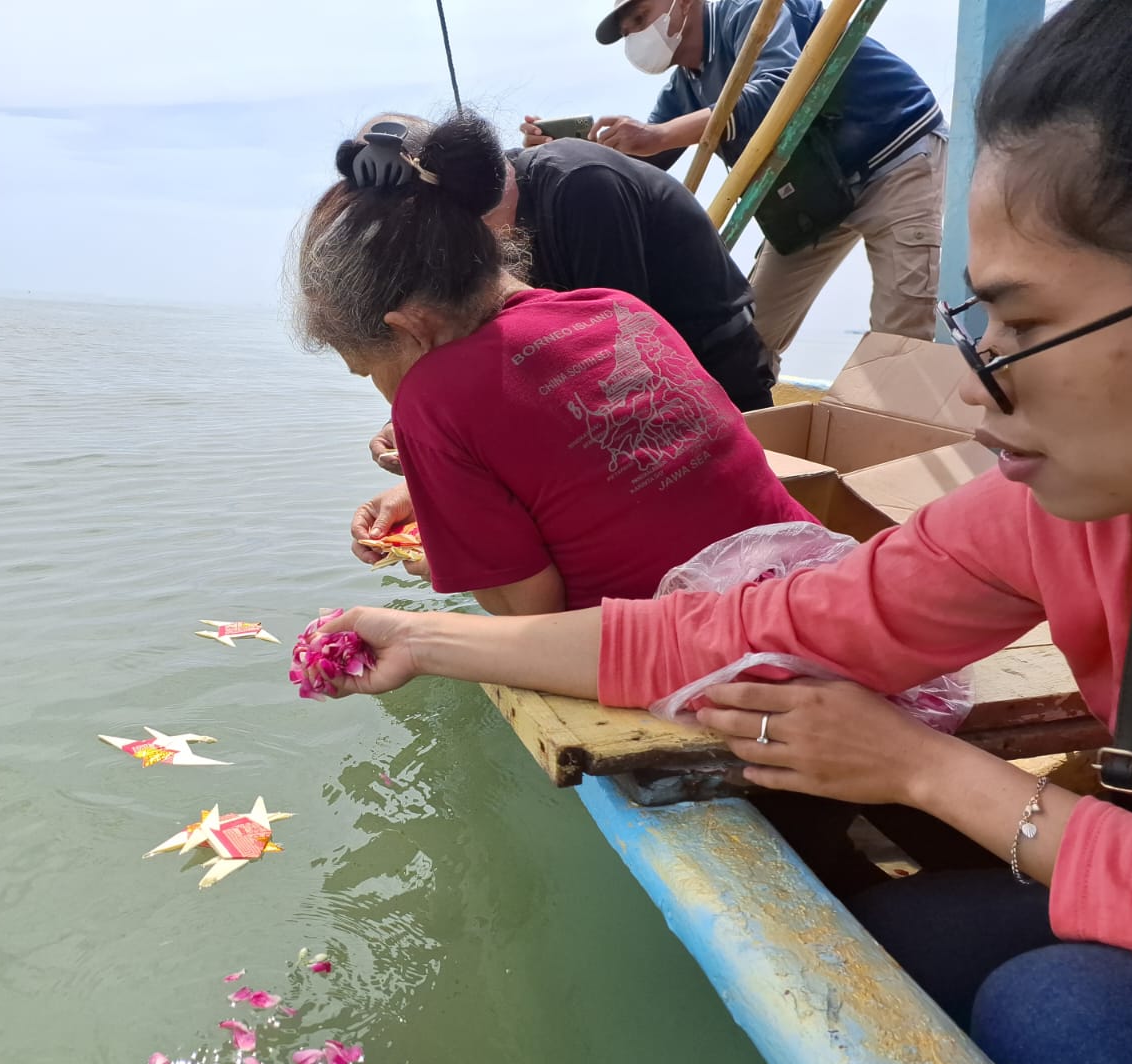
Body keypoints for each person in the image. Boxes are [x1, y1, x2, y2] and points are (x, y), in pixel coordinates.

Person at [319, 2, 1132, 1064]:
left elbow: (534, 573)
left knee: (1067, 1021)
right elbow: (749, 620)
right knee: (894, 948)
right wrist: (422, 637)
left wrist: (925, 770)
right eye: (975, 321)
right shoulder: (1054, 512)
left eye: (1026, 323)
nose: (977, 389)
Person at [294, 111, 813, 616]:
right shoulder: (617, 307)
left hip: (714, 644)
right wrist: (435, 499)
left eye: (372, 373)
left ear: (409, 328)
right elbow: (584, 470)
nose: (388, 396)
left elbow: (532, 610)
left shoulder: (430, 401)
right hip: (812, 582)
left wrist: (448, 558)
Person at [527, 0, 946, 372]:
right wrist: (566, 151)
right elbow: (647, 159)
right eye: (627, 31)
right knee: (750, 333)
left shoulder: (753, 11)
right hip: (815, 196)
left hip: (894, 154)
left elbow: (780, 86)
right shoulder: (684, 87)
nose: (636, 35)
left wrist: (661, 134)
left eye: (641, 17)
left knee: (899, 338)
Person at [360, 115, 773, 492]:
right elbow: (487, 352)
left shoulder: (583, 185)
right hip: (626, 399)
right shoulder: (482, 235)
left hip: (715, 379)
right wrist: (417, 427)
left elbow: (613, 361)